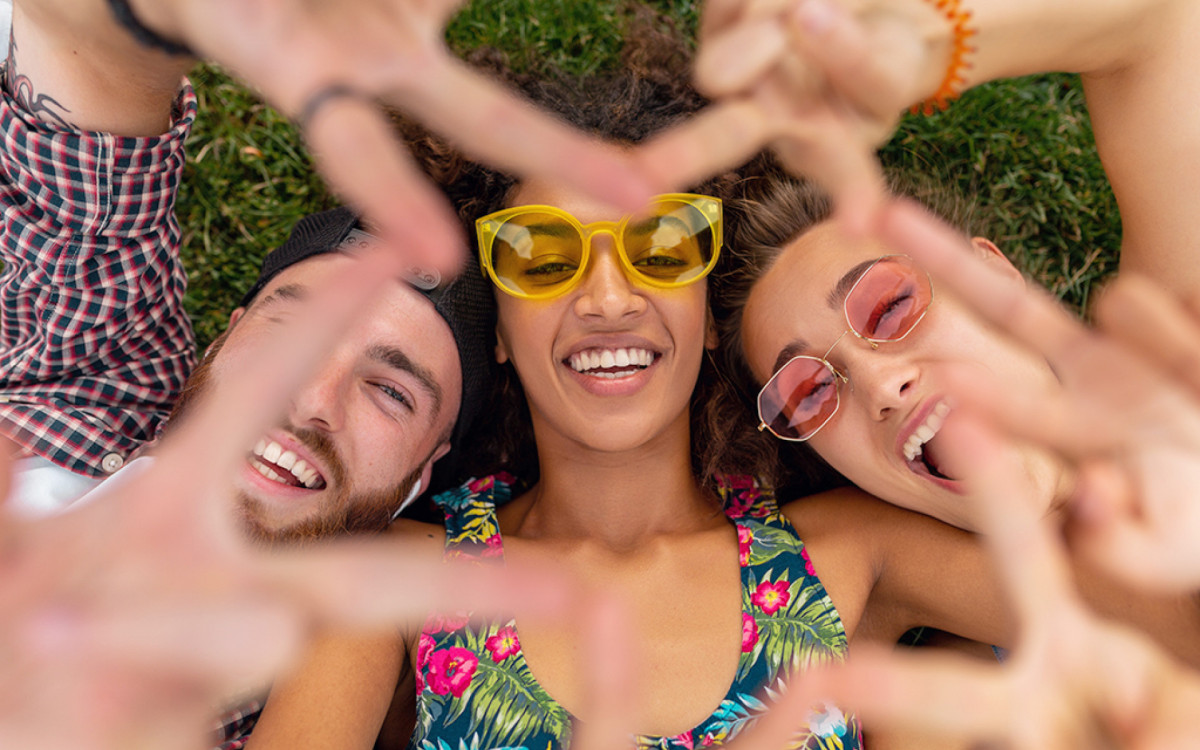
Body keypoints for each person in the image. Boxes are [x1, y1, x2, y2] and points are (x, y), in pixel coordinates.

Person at [244, 27, 1020, 750]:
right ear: (500, 335)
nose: (610, 300)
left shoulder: (852, 551)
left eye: (663, 246)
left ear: (711, 317)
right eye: (542, 258)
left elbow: (1129, 608)